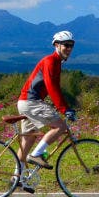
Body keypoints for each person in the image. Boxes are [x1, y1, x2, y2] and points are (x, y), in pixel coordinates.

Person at [17, 31, 77, 174]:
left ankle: (16, 177)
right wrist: (64, 109)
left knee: (28, 141)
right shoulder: (50, 61)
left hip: (25, 102)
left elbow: (56, 88)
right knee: (60, 127)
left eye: (71, 45)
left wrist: (65, 106)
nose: (69, 48)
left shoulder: (56, 63)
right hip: (31, 102)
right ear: (57, 45)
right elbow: (52, 87)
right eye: (66, 45)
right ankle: (37, 154)